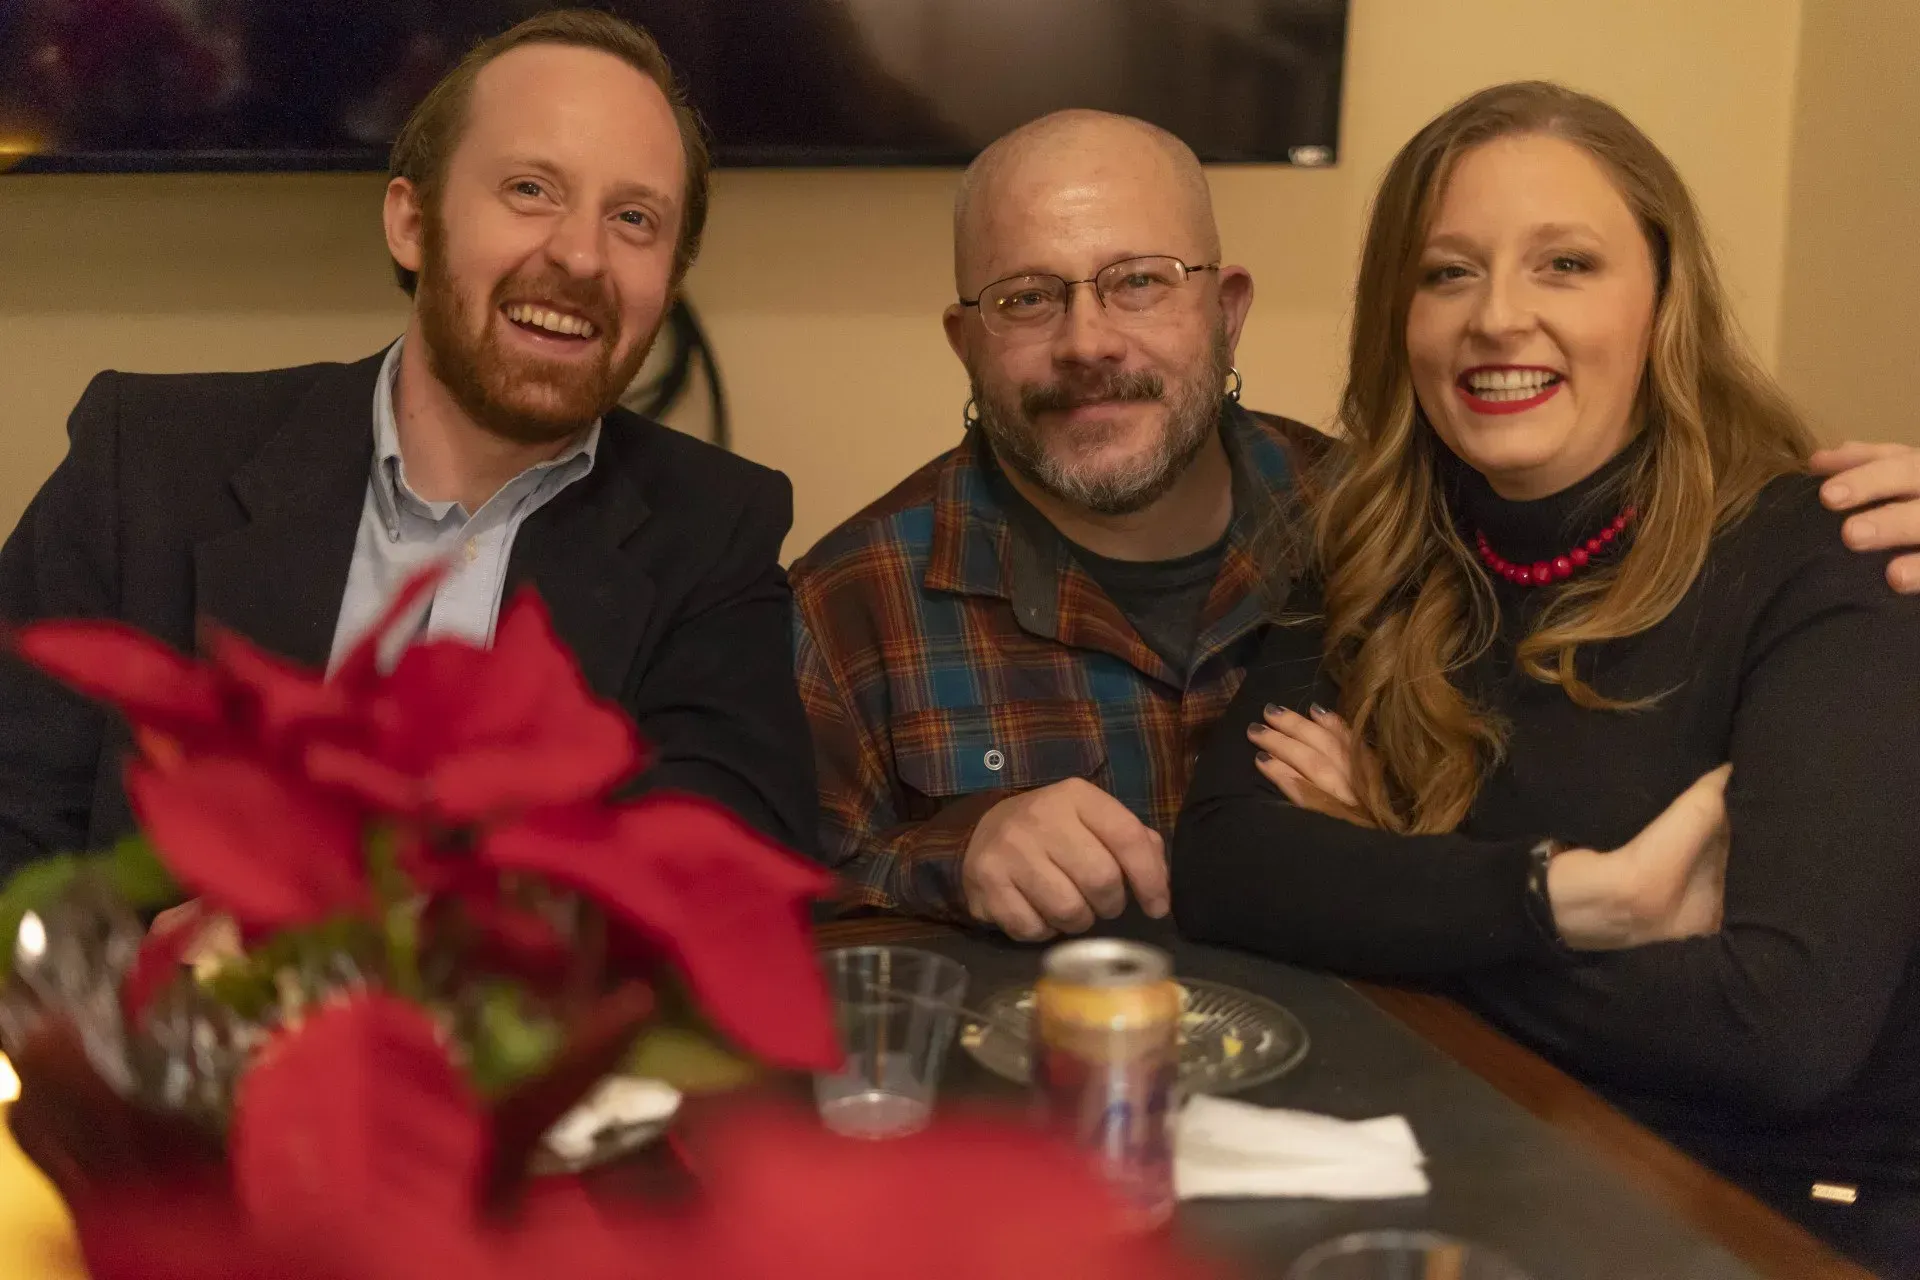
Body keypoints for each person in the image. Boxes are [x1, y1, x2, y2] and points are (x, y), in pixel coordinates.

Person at [792, 106, 1920, 946]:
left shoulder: (1377, 517)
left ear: (1226, 310)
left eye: (1140, 281)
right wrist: (949, 854)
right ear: (965, 341)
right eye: (1027, 298)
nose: (1089, 339)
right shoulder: (853, 602)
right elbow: (749, 904)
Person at [1171, 81, 1920, 1274]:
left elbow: (1780, 1031)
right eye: (1447, 272)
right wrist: (1582, 899)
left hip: (1773, 1215)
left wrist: (1390, 875)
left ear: (1664, 299)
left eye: (1565, 264)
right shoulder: (1380, 545)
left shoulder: (1829, 557)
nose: (1498, 318)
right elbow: (1222, 864)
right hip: (1497, 1147)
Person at [0, 10, 817, 876]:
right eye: (530, 189)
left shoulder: (715, 530)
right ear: (412, 223)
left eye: (634, 219)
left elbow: (727, 883)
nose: (582, 256)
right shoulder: (145, 465)